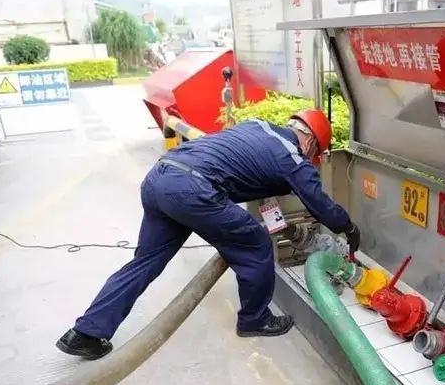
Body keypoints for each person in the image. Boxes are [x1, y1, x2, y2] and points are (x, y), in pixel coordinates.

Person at [56, 109, 361, 360]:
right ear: (310, 141)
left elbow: (244, 164)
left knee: (145, 262)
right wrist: (348, 227)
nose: (310, 159)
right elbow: (321, 205)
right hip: (192, 190)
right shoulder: (292, 158)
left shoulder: (257, 125)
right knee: (255, 242)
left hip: (160, 177)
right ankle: (255, 319)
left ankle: (86, 333)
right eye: (314, 154)